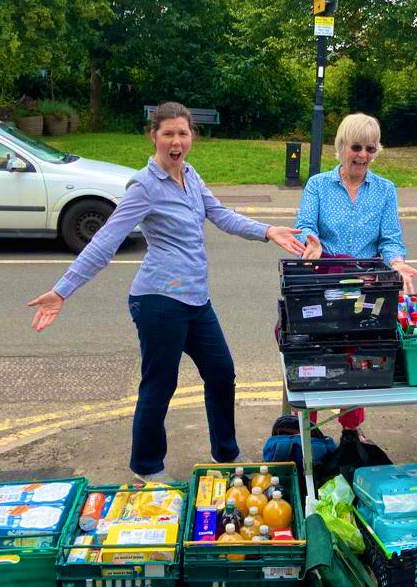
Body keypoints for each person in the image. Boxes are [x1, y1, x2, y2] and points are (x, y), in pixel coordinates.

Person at [28, 102, 306, 482]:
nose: (176, 141)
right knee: (160, 384)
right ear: (154, 136)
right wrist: (62, 291)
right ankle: (146, 467)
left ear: (191, 136)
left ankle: (226, 456)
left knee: (222, 373)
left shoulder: (190, 176)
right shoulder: (144, 186)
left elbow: (221, 214)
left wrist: (267, 230)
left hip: (194, 300)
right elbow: (104, 241)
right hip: (158, 301)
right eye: (168, 134)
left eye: (183, 133)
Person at [294, 112, 417, 440]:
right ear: (341, 147)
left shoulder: (384, 190)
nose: (363, 155)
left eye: (371, 149)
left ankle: (351, 430)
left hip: (366, 288)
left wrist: (396, 262)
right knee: (317, 353)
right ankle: (308, 427)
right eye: (357, 147)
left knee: (356, 357)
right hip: (324, 283)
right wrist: (310, 240)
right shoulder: (318, 186)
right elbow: (306, 224)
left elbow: (390, 239)